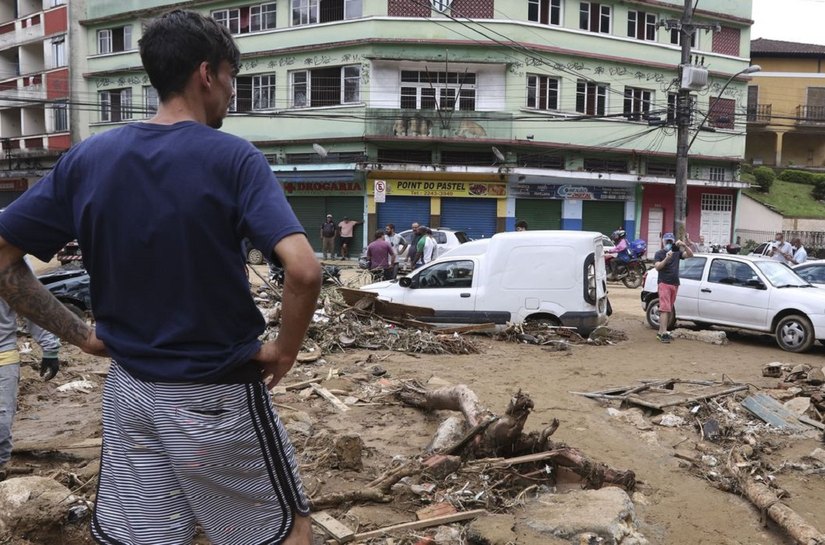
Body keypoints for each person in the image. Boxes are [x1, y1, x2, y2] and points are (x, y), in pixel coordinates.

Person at [0, 10, 320, 545]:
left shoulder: (89, 158)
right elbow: (304, 271)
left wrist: (83, 336)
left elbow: (3, 256)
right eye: (232, 77)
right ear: (206, 74)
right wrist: (285, 351)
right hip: (216, 397)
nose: (232, 93)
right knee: (284, 531)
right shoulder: (235, 158)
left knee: (146, 536)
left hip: (130, 393)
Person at [0, 280, 61, 480]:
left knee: (1, 423)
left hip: (3, 356)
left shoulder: (7, 264)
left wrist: (50, 349)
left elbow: (30, 303)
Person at [653, 232, 694, 343]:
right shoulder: (659, 253)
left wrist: (684, 245)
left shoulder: (676, 252)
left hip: (675, 284)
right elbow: (657, 267)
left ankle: (661, 332)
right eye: (667, 241)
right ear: (663, 241)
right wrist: (666, 259)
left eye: (670, 241)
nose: (668, 243)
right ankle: (663, 333)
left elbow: (690, 255)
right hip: (664, 283)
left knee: (668, 309)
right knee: (664, 309)